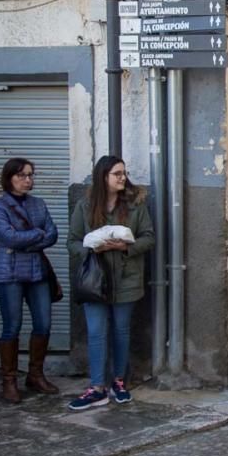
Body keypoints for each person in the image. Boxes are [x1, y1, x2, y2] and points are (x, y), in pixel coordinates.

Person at [67, 156, 155, 411]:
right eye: (117, 173)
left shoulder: (136, 206)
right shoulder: (85, 207)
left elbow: (149, 238)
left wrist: (125, 247)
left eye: (124, 173)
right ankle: (97, 388)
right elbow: (72, 241)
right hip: (94, 281)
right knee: (96, 332)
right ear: (103, 176)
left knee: (121, 331)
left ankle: (119, 381)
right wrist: (92, 248)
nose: (123, 178)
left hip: (126, 279)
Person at [0, 157, 60, 403]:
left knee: (43, 323)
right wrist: (35, 235)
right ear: (9, 178)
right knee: (12, 326)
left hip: (37, 272)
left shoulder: (38, 204)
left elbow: (52, 234)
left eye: (30, 175)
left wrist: (26, 239)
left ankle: (35, 375)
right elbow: (8, 237)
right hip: (8, 274)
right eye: (21, 175)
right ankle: (9, 380)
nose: (27, 180)